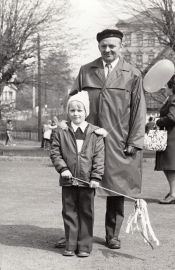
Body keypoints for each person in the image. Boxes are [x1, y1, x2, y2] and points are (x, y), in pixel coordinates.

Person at [54, 29, 146, 249]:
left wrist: (134, 141)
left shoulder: (132, 73)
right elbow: (73, 102)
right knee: (80, 187)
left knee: (117, 187)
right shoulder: (86, 71)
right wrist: (67, 127)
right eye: (104, 46)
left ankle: (112, 235)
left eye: (112, 46)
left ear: (120, 46)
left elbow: (139, 110)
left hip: (118, 140)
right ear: (99, 46)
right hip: (86, 140)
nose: (108, 50)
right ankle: (74, 235)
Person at [50, 91, 105, 257]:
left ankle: (84, 246)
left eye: (79, 110)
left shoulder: (95, 134)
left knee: (86, 213)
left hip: (88, 182)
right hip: (68, 180)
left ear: (85, 112)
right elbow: (55, 153)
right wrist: (63, 169)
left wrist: (96, 176)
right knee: (69, 212)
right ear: (68, 112)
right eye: (72, 110)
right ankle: (71, 243)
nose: (76, 114)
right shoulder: (61, 132)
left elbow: (99, 157)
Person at [155, 74, 175, 204]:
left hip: (172, 137)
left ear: (171, 87)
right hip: (171, 136)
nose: (164, 87)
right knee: (168, 165)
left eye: (166, 85)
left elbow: (172, 118)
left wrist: (159, 121)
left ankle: (174, 193)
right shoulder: (174, 98)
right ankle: (173, 192)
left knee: (171, 166)